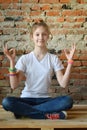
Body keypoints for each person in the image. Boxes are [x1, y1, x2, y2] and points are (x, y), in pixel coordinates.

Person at [2, 20, 76, 120]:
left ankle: (24, 112)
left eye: (44, 34)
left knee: (67, 101)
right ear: (32, 37)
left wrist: (70, 61)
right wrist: (11, 61)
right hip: (26, 99)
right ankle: (47, 115)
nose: (40, 37)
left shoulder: (53, 58)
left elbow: (63, 83)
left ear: (48, 36)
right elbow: (14, 85)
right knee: (7, 102)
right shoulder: (25, 59)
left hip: (46, 100)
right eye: (37, 34)